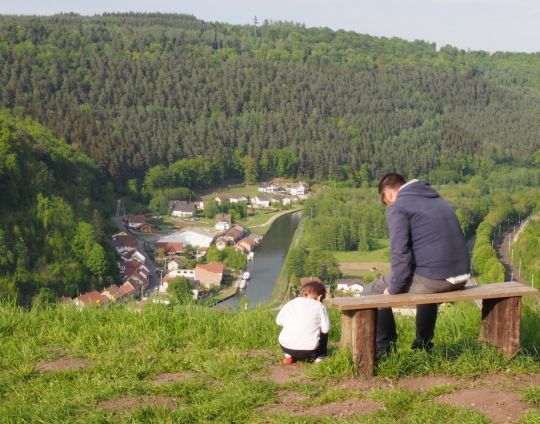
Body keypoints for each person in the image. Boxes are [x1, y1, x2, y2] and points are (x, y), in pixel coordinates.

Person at [363, 173, 470, 355]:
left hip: (437, 280)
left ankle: (385, 349)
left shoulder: (399, 206)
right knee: (425, 277)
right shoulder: (437, 201)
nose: (388, 205)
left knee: (371, 291)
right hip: (461, 276)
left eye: (385, 201)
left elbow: (400, 253)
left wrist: (394, 288)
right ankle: (423, 345)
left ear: (387, 193)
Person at [276, 281, 331, 365]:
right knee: (324, 332)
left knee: (286, 323)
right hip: (308, 351)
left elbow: (278, 321)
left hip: (285, 347)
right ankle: (319, 357)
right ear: (320, 297)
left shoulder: (291, 303)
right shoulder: (320, 306)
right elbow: (326, 329)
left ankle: (288, 356)